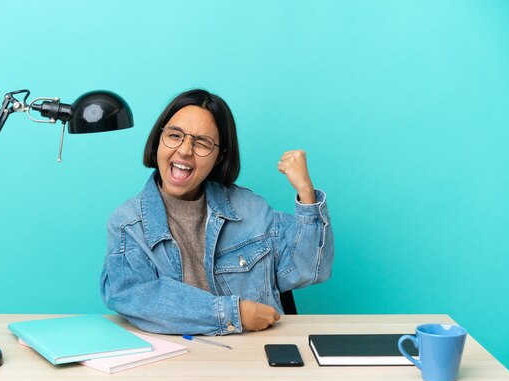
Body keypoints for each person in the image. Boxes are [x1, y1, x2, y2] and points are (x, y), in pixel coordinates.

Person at [100, 89, 334, 335]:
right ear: (159, 140)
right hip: (174, 362)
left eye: (202, 143)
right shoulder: (127, 224)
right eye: (175, 135)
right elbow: (134, 296)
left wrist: (306, 193)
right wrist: (233, 313)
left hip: (255, 357)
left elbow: (309, 270)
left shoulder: (250, 209)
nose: (184, 150)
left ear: (219, 157)